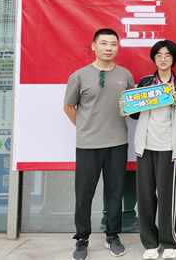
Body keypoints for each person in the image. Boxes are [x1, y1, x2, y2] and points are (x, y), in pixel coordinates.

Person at [64, 28, 135, 260]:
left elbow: (133, 106)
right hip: (88, 145)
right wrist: (85, 127)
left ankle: (112, 235)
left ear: (117, 47)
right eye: (103, 43)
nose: (108, 48)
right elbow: (69, 107)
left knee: (115, 192)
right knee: (84, 194)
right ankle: (82, 239)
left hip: (117, 143)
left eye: (113, 44)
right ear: (93, 46)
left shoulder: (125, 75)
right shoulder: (79, 76)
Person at [126, 40, 176, 260]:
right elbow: (135, 114)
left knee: (167, 197)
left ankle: (169, 242)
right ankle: (150, 243)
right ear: (154, 59)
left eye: (167, 55)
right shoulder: (146, 82)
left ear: (174, 59)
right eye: (159, 55)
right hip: (145, 145)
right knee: (145, 197)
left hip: (169, 147)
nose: (163, 59)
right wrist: (127, 106)